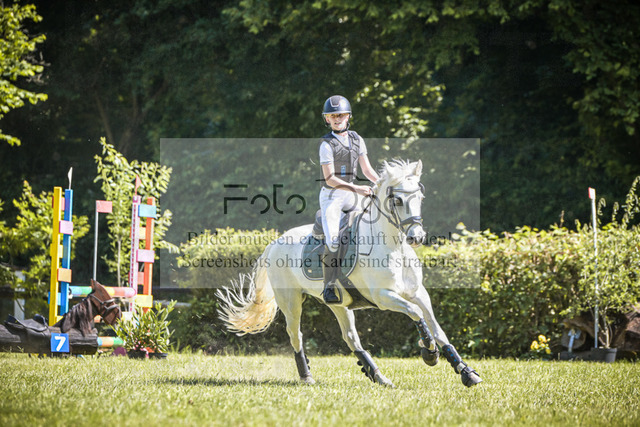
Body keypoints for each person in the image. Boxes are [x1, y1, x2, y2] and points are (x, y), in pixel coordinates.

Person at [319, 95, 380, 304]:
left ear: (348, 117)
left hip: (352, 192)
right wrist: (357, 189)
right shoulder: (326, 144)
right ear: (327, 119)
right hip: (332, 196)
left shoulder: (357, 139)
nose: (337, 119)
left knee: (377, 219)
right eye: (332, 116)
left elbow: (367, 170)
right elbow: (330, 178)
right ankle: (328, 286)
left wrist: (383, 184)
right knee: (333, 240)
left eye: (341, 115)